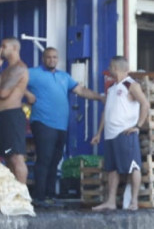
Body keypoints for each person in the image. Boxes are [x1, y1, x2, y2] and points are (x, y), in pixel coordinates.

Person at [25, 47, 104, 205]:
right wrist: (27, 94)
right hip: (42, 122)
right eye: (49, 57)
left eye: (55, 57)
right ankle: (39, 197)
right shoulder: (33, 73)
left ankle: (50, 195)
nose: (52, 60)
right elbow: (15, 82)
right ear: (43, 59)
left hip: (61, 125)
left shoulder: (64, 76)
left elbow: (81, 90)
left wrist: (100, 97)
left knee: (55, 159)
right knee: (44, 159)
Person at [91, 56, 149, 211]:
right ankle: (111, 202)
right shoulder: (111, 88)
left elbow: (145, 104)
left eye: (110, 67)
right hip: (110, 134)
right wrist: (99, 133)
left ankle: (134, 201)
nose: (108, 70)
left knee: (133, 166)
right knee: (112, 168)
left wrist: (138, 126)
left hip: (125, 132)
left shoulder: (131, 85)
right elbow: (106, 111)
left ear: (115, 68)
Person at [0, 37, 30, 184]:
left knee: (16, 157)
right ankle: (13, 190)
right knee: (8, 156)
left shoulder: (19, 68)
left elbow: (3, 93)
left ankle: (22, 192)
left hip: (12, 116)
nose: (0, 50)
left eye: (4, 46)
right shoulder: (5, 70)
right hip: (3, 116)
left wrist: (0, 86)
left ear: (14, 48)